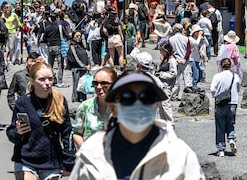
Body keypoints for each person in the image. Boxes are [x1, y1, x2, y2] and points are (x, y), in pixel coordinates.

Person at [70, 70, 205, 179]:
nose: (138, 105)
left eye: (147, 97)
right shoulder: (91, 153)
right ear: (113, 108)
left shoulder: (180, 155)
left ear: (157, 105)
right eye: (128, 98)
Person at [6, 62, 75, 179]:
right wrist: (18, 131)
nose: (47, 83)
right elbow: (11, 133)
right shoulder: (23, 102)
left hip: (51, 162)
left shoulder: (59, 100)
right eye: (42, 79)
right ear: (32, 81)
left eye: (50, 79)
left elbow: (67, 132)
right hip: (26, 160)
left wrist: (69, 162)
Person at [72, 67, 118, 148]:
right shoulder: (85, 107)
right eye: (95, 83)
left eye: (104, 83)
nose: (99, 87)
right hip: (90, 158)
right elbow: (76, 132)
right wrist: (85, 147)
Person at [210, 57, 241, 157]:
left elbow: (212, 90)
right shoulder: (235, 76)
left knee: (220, 125)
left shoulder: (217, 76)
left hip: (220, 103)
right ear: (230, 66)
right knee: (230, 123)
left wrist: (217, 95)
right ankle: (231, 138)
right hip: (233, 103)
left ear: (221, 66)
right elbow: (238, 89)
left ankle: (221, 149)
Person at [42, 12, 69, 87]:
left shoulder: (47, 27)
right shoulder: (59, 27)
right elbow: (66, 35)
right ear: (57, 18)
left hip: (50, 47)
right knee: (60, 65)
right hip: (58, 47)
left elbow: (44, 38)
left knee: (50, 65)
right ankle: (59, 82)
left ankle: (51, 79)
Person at [168, 23, 193, 99]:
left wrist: (176, 59)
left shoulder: (170, 39)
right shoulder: (186, 38)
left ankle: (174, 95)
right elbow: (188, 50)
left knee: (175, 79)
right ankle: (188, 96)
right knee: (187, 77)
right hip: (184, 60)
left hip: (175, 61)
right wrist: (184, 59)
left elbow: (170, 51)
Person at [154, 43, 177, 123]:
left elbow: (173, 73)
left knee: (166, 105)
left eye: (162, 51)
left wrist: (161, 74)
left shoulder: (172, 60)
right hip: (161, 85)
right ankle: (163, 123)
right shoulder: (165, 60)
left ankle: (171, 123)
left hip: (167, 86)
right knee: (160, 106)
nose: (161, 52)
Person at [68, 30, 92, 103]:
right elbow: (75, 58)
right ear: (73, 37)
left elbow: (87, 55)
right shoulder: (72, 46)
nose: (79, 38)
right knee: (77, 84)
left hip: (84, 68)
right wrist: (84, 66)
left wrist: (89, 64)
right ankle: (76, 99)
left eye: (80, 36)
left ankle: (83, 99)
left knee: (83, 84)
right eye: (77, 36)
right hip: (77, 68)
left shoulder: (81, 45)